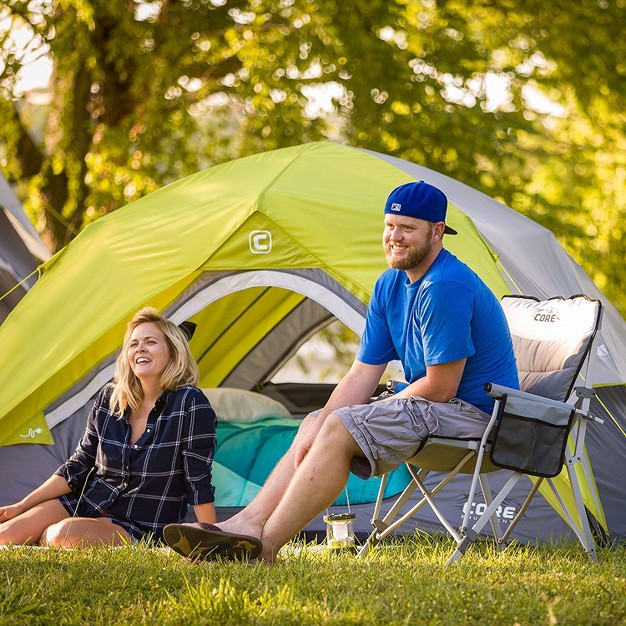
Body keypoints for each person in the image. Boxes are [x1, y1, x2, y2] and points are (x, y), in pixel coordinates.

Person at [163, 180, 519, 563]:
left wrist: (355, 417)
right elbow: (362, 374)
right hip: (436, 409)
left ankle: (263, 549)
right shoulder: (390, 285)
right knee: (318, 420)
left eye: (407, 228)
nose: (394, 237)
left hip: (477, 416)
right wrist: (325, 420)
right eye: (389, 225)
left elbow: (440, 386)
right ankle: (249, 524)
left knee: (341, 425)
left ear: (436, 232)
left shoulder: (444, 286)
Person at [0, 307, 217, 547]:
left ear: (173, 352)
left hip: (139, 524)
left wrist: (211, 539)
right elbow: (78, 465)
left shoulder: (190, 402)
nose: (140, 349)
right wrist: (21, 505)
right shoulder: (109, 398)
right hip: (88, 503)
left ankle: (49, 537)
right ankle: (45, 534)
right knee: (6, 535)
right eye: (133, 344)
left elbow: (197, 478)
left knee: (62, 535)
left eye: (150, 342)